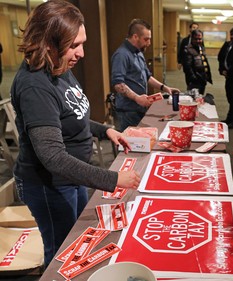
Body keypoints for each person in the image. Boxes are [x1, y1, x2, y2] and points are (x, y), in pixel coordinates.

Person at [10, 0, 141, 268]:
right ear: (49, 43)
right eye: (74, 45)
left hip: (74, 175)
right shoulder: (35, 85)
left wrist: (107, 130)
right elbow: (54, 158)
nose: (81, 53)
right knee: (62, 254)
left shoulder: (59, 66)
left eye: (82, 43)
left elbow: (74, 117)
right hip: (49, 183)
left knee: (79, 241)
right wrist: (114, 178)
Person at [111, 19, 179, 132]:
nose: (149, 43)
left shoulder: (139, 52)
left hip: (139, 108)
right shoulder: (121, 55)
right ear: (135, 36)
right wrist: (136, 98)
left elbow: (147, 76)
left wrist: (164, 88)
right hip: (127, 110)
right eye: (146, 39)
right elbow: (118, 84)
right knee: (130, 144)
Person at [182, 29, 212, 96]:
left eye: (200, 39)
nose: (198, 41)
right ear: (192, 39)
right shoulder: (188, 50)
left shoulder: (201, 48)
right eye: (196, 39)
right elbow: (187, 67)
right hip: (194, 81)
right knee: (193, 98)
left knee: (200, 97)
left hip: (202, 79)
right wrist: (194, 79)